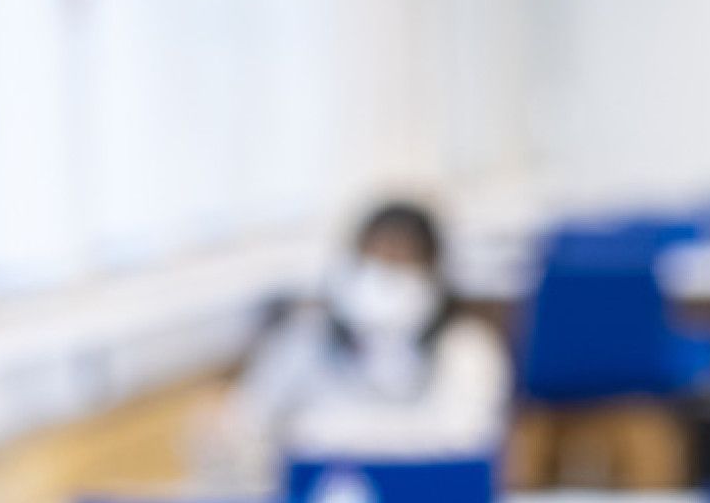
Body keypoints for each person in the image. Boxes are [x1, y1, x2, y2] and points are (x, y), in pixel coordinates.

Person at [202, 198, 513, 488]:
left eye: (400, 262)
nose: (383, 276)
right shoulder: (305, 340)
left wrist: (321, 434)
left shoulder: (468, 349)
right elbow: (248, 422)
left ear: (432, 272)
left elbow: (464, 441)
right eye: (372, 257)